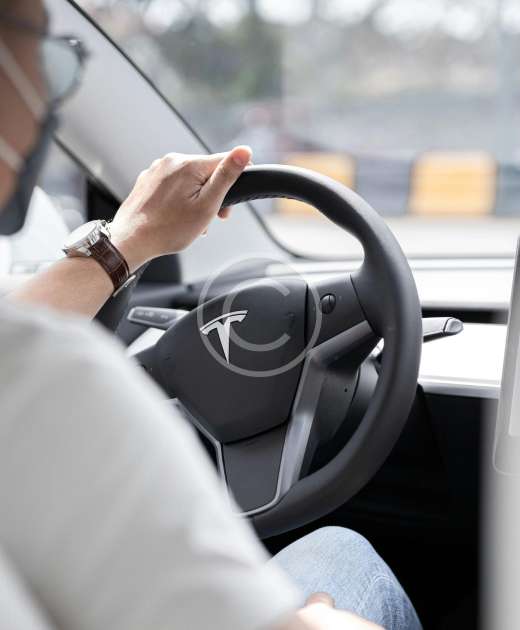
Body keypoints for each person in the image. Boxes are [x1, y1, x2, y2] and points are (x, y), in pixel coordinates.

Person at [0, 2, 422, 629]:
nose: (47, 90)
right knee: (342, 554)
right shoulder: (50, 381)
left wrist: (131, 239)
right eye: (45, 52)